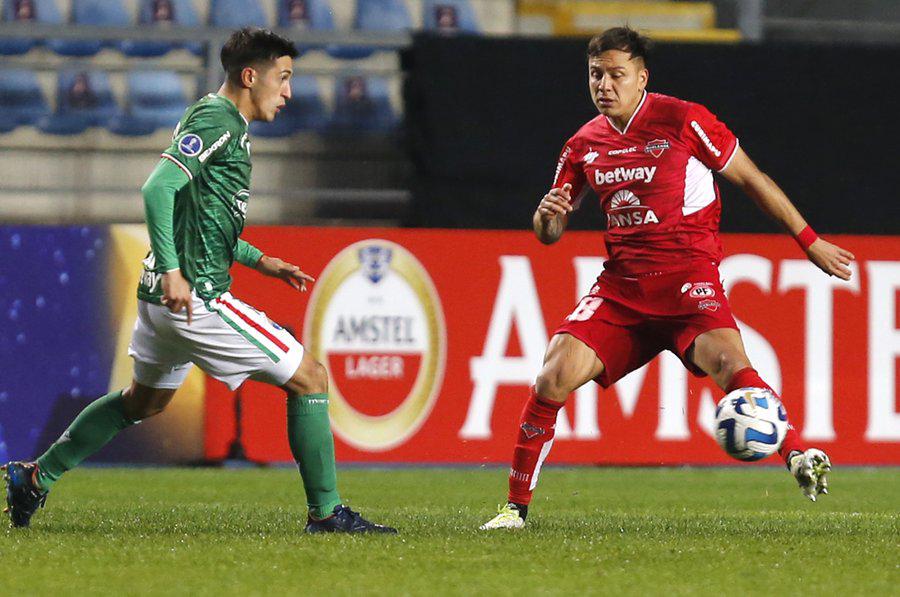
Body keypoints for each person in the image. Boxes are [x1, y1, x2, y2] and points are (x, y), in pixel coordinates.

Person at [3, 28, 396, 534]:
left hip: (161, 302)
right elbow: (157, 189)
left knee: (142, 402)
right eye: (284, 78)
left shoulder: (225, 122)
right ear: (250, 77)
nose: (290, 92)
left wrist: (260, 261)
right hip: (195, 299)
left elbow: (203, 219)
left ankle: (35, 477)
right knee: (311, 378)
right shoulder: (217, 121)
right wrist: (173, 271)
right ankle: (326, 513)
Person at [480, 26, 853, 530]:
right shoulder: (582, 145)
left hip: (687, 281)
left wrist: (809, 241)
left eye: (616, 74)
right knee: (552, 375)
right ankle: (514, 509)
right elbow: (550, 232)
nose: (604, 85)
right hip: (622, 292)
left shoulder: (683, 119)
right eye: (595, 74)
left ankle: (795, 454)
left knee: (729, 364)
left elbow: (751, 178)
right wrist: (547, 217)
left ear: (641, 77)